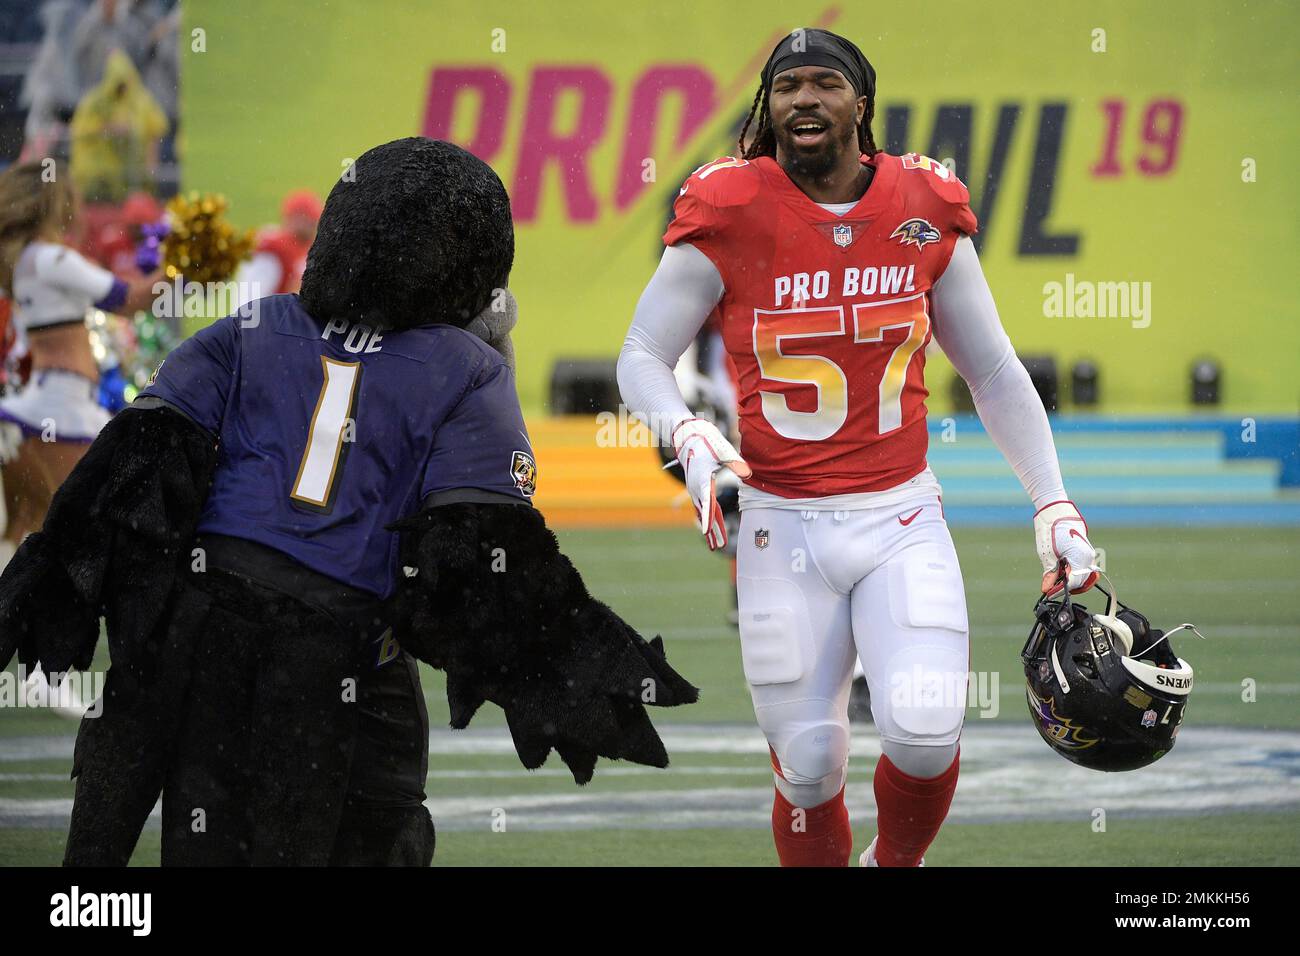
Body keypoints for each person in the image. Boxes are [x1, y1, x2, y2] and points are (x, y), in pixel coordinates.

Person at [0, 137, 697, 866]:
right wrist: (565, 662)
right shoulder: (464, 367)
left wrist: (73, 580)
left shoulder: (253, 325)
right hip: (330, 649)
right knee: (372, 824)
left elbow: (131, 467)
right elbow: (482, 542)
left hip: (194, 628)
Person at [617, 28, 1099, 867]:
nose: (804, 99)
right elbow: (640, 355)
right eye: (787, 85)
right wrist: (686, 431)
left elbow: (989, 368)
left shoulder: (921, 203)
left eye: (825, 83)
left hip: (898, 513)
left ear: (860, 102)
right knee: (808, 767)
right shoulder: (728, 206)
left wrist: (1052, 501)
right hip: (780, 522)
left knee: (921, 729)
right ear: (768, 106)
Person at [0, 160, 158, 553]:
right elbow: (128, 299)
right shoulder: (53, 259)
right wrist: (185, 265)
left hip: (53, 400)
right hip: (62, 406)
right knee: (87, 525)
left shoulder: (26, 261)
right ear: (55, 202)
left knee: (31, 526)